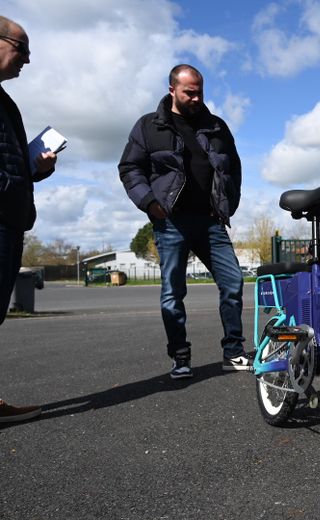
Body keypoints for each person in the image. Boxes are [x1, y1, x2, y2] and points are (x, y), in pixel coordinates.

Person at [118, 64, 251, 379]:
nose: (195, 97)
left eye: (199, 92)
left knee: (233, 283)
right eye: (189, 92)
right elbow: (129, 168)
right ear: (172, 90)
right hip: (171, 222)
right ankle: (180, 356)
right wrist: (150, 203)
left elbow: (234, 167)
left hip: (210, 221)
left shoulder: (216, 126)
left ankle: (233, 352)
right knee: (172, 292)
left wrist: (227, 204)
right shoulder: (149, 126)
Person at [0, 16, 57, 422]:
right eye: (22, 49)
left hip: (10, 218)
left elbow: (13, 164)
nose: (27, 60)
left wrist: (35, 168)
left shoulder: (5, 103)